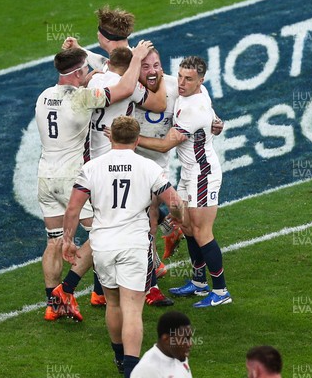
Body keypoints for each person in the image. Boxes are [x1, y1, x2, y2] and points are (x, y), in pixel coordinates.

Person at [35, 41, 153, 321]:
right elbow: (124, 89)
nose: (89, 75)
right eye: (85, 71)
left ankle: (53, 304)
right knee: (100, 233)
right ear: (77, 74)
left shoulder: (42, 96)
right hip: (71, 176)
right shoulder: (82, 97)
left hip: (44, 174)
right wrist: (136, 57)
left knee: (53, 242)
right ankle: (67, 290)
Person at [62, 116, 184, 377]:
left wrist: (68, 241)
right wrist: (178, 220)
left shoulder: (92, 167)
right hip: (134, 244)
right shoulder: (147, 167)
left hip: (103, 244)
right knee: (132, 309)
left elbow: (73, 208)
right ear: (137, 140)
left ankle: (119, 359)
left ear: (111, 137)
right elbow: (174, 201)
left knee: (113, 304)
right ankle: (131, 369)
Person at [137, 56, 232, 308]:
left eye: (188, 79)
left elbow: (165, 144)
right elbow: (212, 117)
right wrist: (216, 123)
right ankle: (199, 283)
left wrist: (131, 139)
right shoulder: (198, 94)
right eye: (179, 76)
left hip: (203, 174)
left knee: (202, 232)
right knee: (187, 227)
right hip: (190, 173)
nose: (181, 83)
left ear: (200, 80)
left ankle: (221, 291)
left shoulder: (192, 109)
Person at [131, 311, 194, 378]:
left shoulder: (178, 356)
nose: (190, 344)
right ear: (166, 339)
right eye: (184, 339)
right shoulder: (147, 370)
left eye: (189, 338)